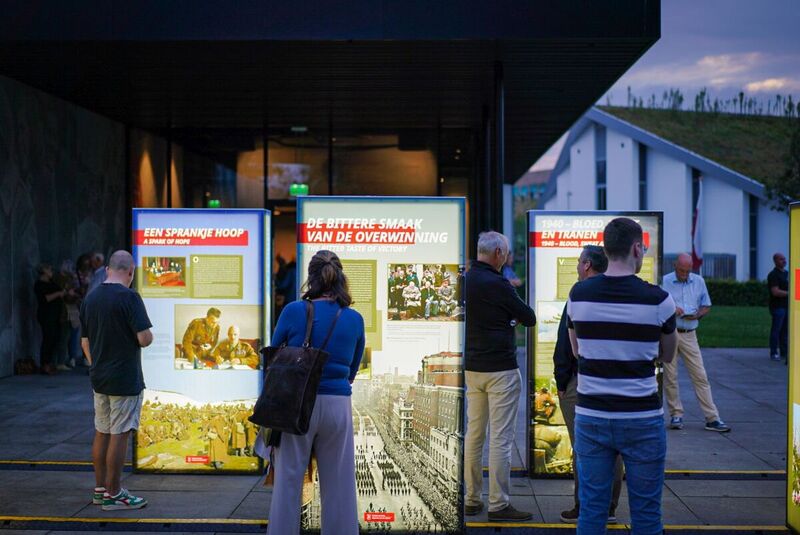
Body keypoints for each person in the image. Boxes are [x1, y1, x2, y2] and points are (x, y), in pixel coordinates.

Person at [567, 218, 677, 534]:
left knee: (591, 512)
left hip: (591, 416)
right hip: (641, 417)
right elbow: (667, 355)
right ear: (636, 248)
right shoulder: (659, 299)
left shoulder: (579, 294)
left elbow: (577, 352)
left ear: (605, 249)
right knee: (646, 515)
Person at [268, 250, 365, 535]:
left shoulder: (294, 311)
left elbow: (273, 355)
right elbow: (352, 369)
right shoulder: (354, 318)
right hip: (337, 404)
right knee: (339, 485)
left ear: (310, 277)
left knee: (288, 482)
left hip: (297, 403)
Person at [464, 231, 536, 521]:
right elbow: (528, 317)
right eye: (505, 253)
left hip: (472, 368)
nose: (505, 258)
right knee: (501, 439)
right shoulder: (500, 284)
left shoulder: (465, 281)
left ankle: (471, 498)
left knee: (474, 433)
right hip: (501, 370)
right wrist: (510, 318)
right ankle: (498, 504)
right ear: (497, 254)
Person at [554, 245, 623, 524]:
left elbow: (566, 344)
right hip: (614, 379)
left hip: (581, 380)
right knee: (613, 447)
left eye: (579, 262)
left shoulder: (578, 295)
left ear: (586, 265)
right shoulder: (619, 294)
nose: (577, 266)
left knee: (583, 448)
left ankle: (584, 506)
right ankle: (608, 507)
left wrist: (561, 380)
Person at [80, 250, 153, 511]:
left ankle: (100, 490)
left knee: (102, 430)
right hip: (124, 377)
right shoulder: (130, 297)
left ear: (109, 269)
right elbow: (144, 338)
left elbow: (85, 342)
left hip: (99, 378)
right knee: (120, 434)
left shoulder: (91, 298)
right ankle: (114, 493)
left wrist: (96, 364)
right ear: (130, 272)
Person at [661, 253, 730, 433]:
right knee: (670, 376)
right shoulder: (665, 281)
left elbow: (706, 305)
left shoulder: (698, 281)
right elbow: (657, 306)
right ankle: (676, 414)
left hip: (690, 332)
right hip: (670, 332)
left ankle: (712, 417)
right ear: (675, 265)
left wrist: (698, 314)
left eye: (687, 271)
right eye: (681, 270)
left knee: (700, 375)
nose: (684, 274)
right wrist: (672, 309)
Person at [34, 263, 66, 375]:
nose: (51, 271)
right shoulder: (39, 285)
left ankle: (50, 363)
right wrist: (58, 294)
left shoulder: (52, 283)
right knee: (48, 338)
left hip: (56, 315)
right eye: (49, 269)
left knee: (55, 338)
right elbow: (45, 298)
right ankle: (45, 364)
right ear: (44, 271)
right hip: (46, 315)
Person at [767, 252, 789, 362]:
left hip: (787, 306)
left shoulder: (787, 274)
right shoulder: (773, 275)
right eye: (781, 259)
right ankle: (774, 352)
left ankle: (784, 352)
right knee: (776, 329)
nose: (784, 261)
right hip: (778, 307)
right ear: (775, 261)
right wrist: (790, 293)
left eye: (784, 259)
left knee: (785, 330)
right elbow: (775, 292)